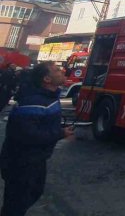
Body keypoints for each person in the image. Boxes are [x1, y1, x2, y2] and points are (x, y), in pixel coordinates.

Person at [0, 62, 74, 216]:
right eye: (56, 70)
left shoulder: (47, 97)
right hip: (22, 161)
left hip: (36, 159)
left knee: (33, 193)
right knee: (16, 203)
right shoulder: (33, 101)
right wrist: (60, 134)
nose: (62, 71)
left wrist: (59, 131)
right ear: (47, 79)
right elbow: (27, 134)